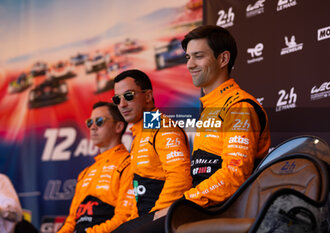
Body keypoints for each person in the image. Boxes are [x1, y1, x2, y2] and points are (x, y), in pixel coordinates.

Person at [130, 25, 271, 233]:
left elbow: (233, 176)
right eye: (187, 57)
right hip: (201, 208)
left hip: (221, 212)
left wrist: (180, 203)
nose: (190, 65)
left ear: (223, 59)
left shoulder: (238, 105)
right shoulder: (211, 107)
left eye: (198, 56)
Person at [111, 69, 192, 232]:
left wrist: (155, 216)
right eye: (117, 99)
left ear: (147, 96)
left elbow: (180, 179)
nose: (122, 104)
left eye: (128, 96)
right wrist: (134, 220)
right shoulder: (140, 133)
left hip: (165, 216)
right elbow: (138, 191)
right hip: (146, 217)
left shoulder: (160, 126)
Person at [57, 102, 136, 233]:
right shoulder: (85, 173)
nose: (92, 127)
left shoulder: (128, 164)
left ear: (118, 126)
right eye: (90, 122)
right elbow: (71, 222)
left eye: (99, 121)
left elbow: (124, 217)